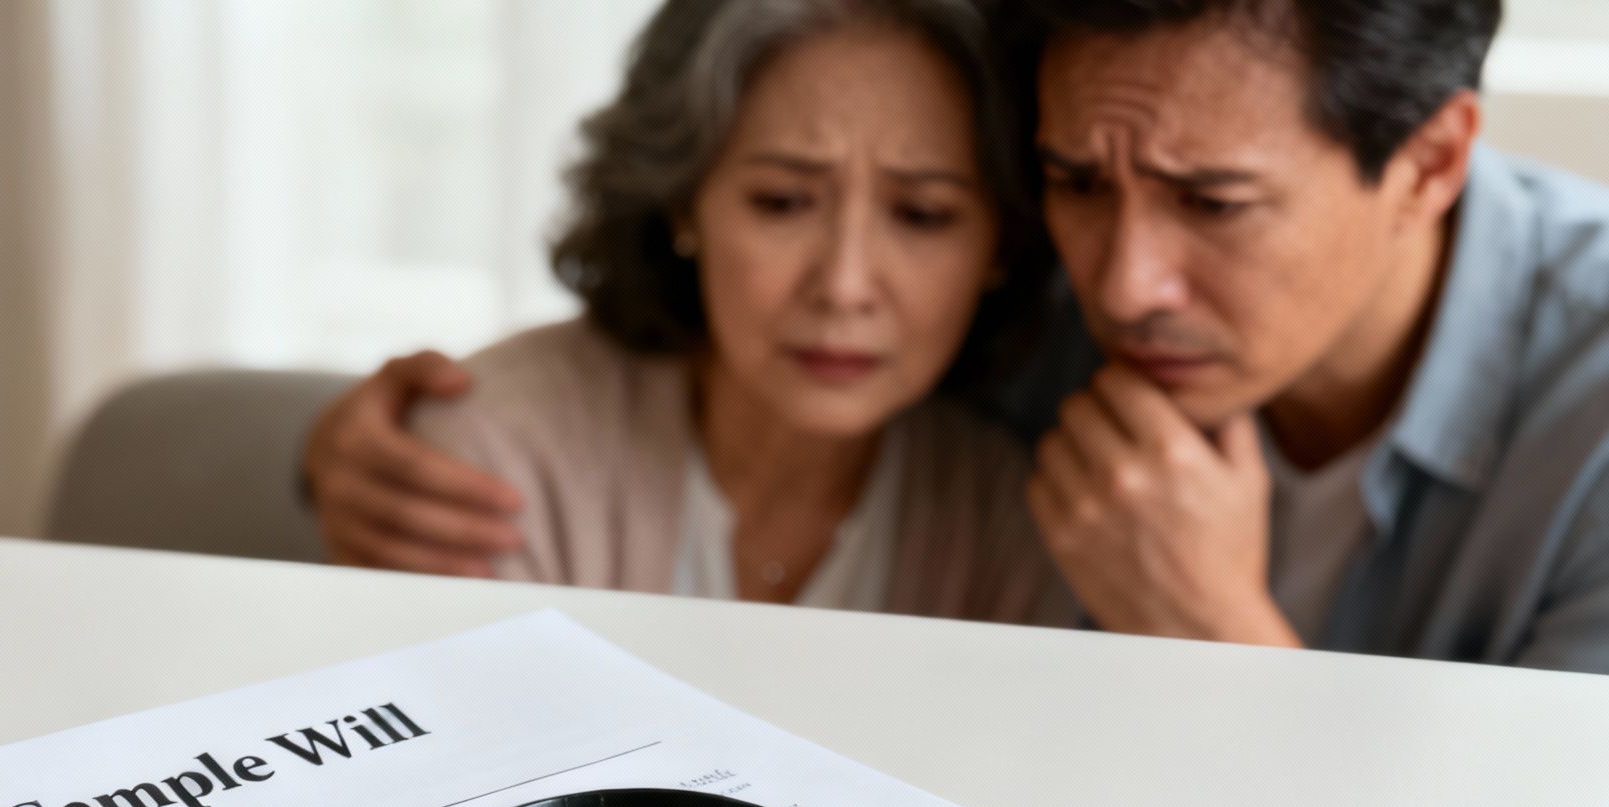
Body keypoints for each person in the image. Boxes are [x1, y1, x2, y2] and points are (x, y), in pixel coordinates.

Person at [304, 0, 1609, 675]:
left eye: (1215, 204)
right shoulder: (1018, 294)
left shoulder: (1587, 419)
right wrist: (333, 456)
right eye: (1076, 185)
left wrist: (1214, 637)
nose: (1126, 283)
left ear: (1432, 158)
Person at [347, 0, 1071, 621]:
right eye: (782, 202)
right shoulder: (492, 460)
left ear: (1001, 245)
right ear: (684, 200)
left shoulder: (1017, 517)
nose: (845, 285)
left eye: (922, 214)